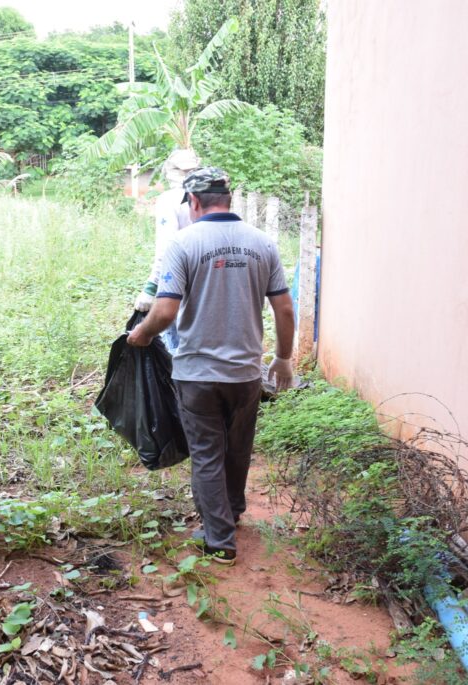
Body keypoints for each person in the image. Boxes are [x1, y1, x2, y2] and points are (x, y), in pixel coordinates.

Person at [127, 167, 295, 565]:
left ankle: (219, 539)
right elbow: (285, 308)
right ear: (229, 199)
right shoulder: (263, 243)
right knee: (237, 447)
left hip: (197, 374)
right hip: (245, 374)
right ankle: (232, 511)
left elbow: (164, 311)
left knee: (206, 452)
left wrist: (143, 335)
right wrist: (283, 358)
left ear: (195, 203)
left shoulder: (183, 244)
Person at [133, 149, 200, 351]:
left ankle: (177, 381)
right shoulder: (210, 195)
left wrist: (151, 287)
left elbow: (167, 248)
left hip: (178, 276)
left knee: (176, 344)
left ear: (170, 171)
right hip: (209, 276)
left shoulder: (170, 200)